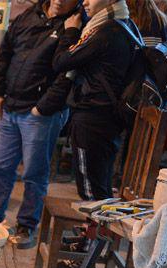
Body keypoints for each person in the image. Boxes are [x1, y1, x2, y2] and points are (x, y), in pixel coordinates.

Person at [0, 0, 78, 249]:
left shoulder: (75, 26)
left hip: (40, 114)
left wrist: (42, 108)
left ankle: (26, 225)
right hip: (11, 107)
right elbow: (5, 53)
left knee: (34, 173)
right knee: (0, 167)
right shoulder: (29, 15)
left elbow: (68, 74)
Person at [53, 0, 137, 201]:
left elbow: (61, 61)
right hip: (108, 117)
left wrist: (71, 32)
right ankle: (96, 230)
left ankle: (94, 231)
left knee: (90, 189)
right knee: (99, 183)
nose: (85, 2)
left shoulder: (105, 32)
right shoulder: (126, 25)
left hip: (93, 117)